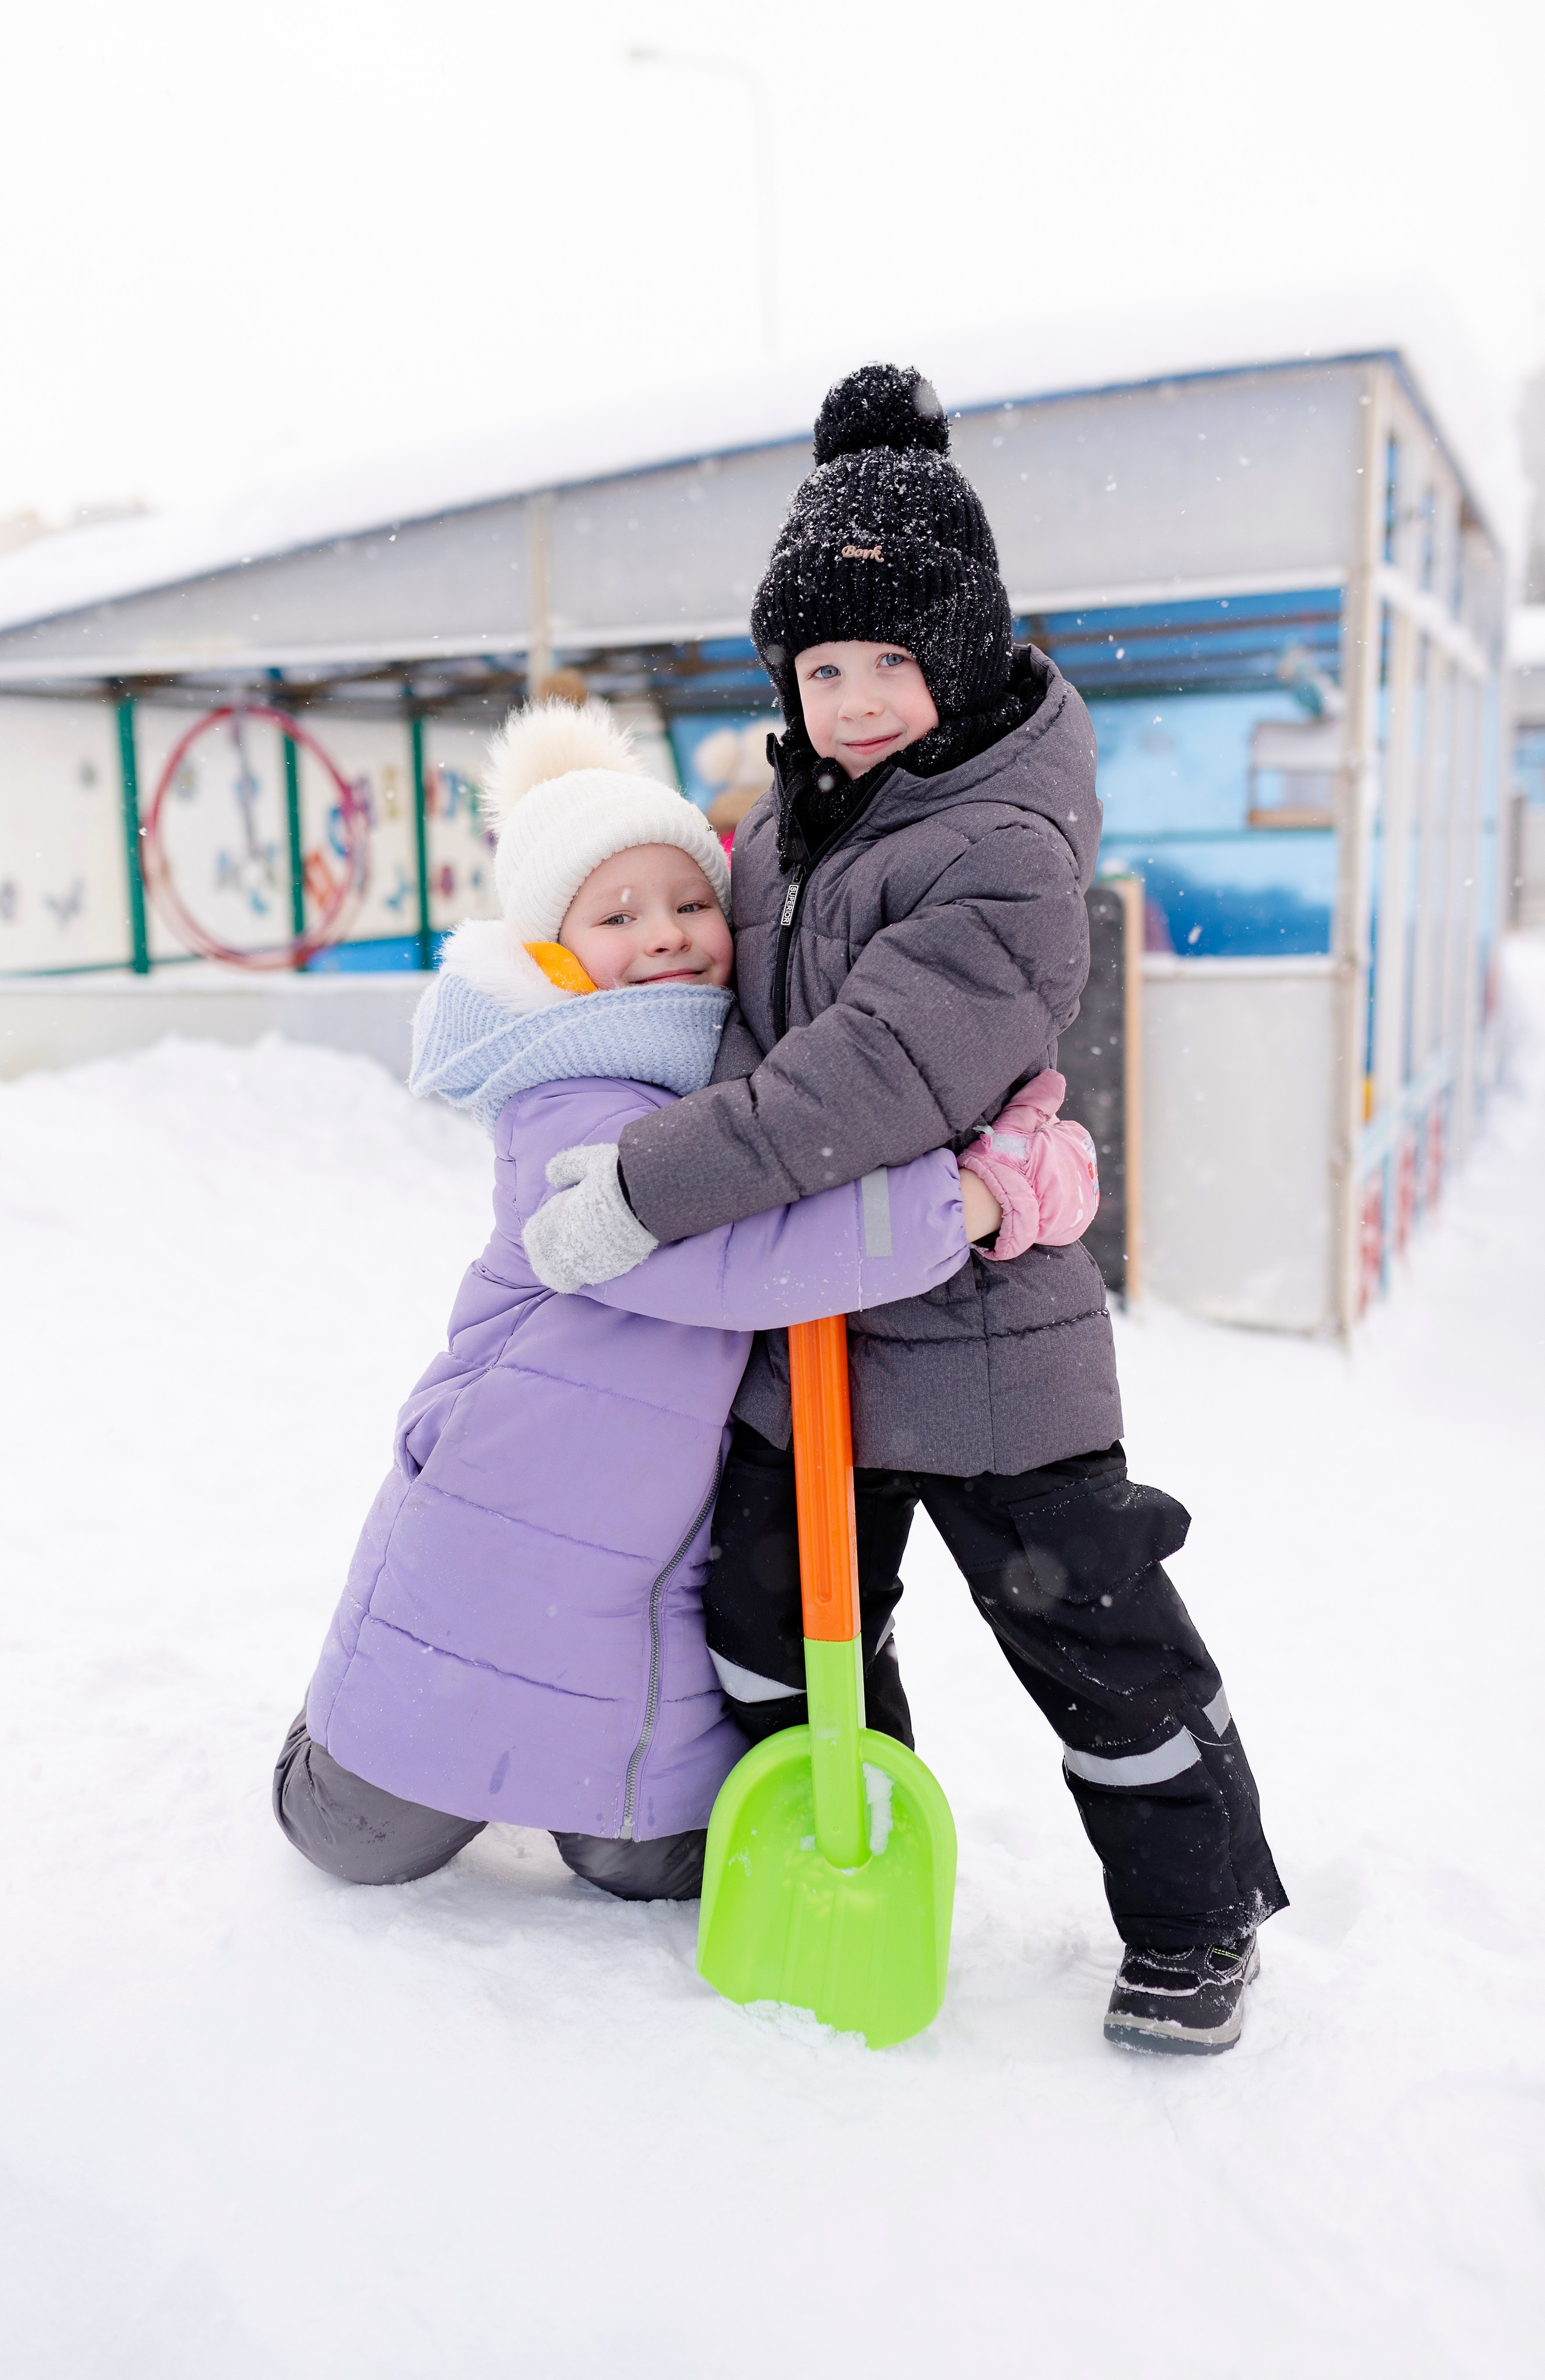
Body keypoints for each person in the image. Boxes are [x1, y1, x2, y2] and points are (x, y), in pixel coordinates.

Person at [522, 364, 1288, 2053]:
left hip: (987, 1349)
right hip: (807, 1331)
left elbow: (864, 1078)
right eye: (821, 665)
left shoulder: (1000, 844)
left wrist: (652, 1189)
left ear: (956, 658)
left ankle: (1196, 1916)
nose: (856, 698)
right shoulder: (782, 838)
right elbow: (703, 1009)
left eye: (887, 661)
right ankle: (854, 1848)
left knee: (1094, 1643)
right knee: (767, 1623)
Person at [275, 697, 1064, 1902]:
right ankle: (331, 1754)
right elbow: (727, 1251)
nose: (666, 934)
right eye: (618, 912)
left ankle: (591, 1798)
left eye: (690, 902)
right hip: (496, 1523)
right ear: (554, 949)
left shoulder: (728, 1084)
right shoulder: (568, 1092)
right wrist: (968, 1201)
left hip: (646, 1561)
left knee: (652, 1866)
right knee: (351, 1839)